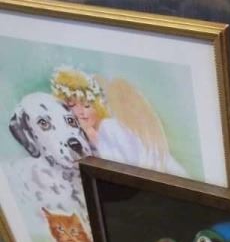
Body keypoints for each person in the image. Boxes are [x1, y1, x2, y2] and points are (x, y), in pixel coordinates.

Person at [50, 66, 187, 176]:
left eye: (87, 105)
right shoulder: (76, 138)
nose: (81, 112)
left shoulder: (110, 127)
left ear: (98, 104)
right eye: (72, 105)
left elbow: (117, 169)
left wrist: (90, 132)